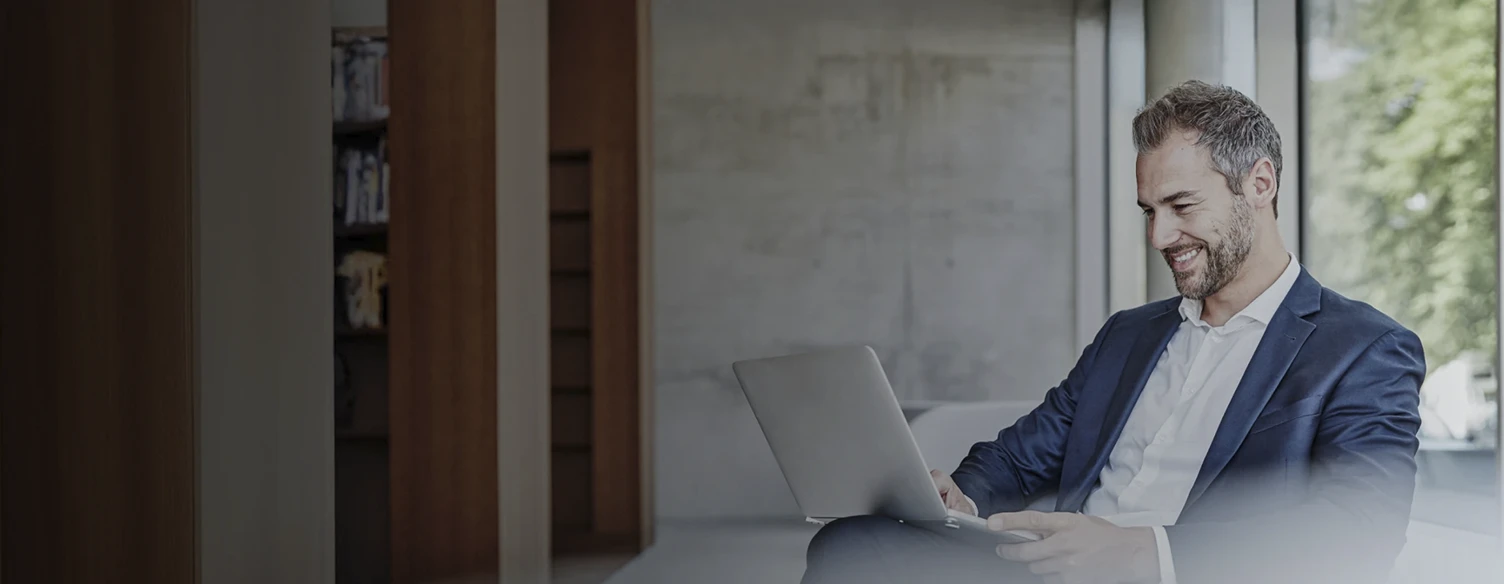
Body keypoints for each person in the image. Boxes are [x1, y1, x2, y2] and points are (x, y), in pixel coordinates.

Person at [802, 80, 1426, 584]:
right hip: (1049, 569)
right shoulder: (1127, 336)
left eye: (1182, 207)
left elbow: (1360, 527)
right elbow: (1022, 456)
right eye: (1149, 212)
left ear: (1259, 185)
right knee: (853, 544)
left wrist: (1148, 557)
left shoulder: (1361, 348)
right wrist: (961, 497)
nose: (1159, 237)